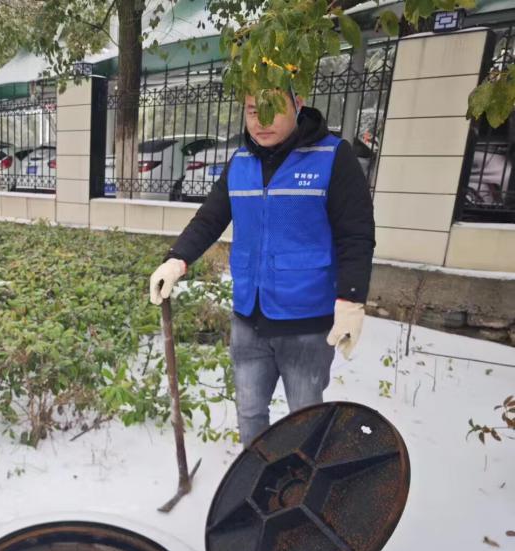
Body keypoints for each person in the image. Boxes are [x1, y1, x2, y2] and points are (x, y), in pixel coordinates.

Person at [149, 90, 375, 446]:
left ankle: (305, 477)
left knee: (307, 421)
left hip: (306, 323)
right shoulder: (240, 161)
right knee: (250, 414)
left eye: (272, 110)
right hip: (248, 319)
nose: (260, 121)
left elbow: (356, 235)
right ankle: (259, 474)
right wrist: (177, 259)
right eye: (253, 111)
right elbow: (210, 219)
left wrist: (351, 299)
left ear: (298, 104)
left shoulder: (332, 157)